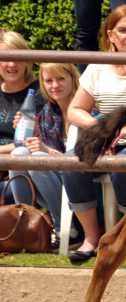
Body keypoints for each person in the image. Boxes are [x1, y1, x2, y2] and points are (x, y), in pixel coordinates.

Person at [62, 4, 126, 261]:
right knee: (71, 165)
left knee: (124, 167)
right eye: (122, 31)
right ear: (110, 36)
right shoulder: (98, 68)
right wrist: (102, 129)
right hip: (106, 138)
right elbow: (74, 110)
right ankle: (91, 238)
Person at [9, 63, 94, 251]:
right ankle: (27, 228)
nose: (54, 85)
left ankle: (69, 231)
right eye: (48, 81)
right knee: (18, 155)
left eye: (61, 78)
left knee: (38, 160)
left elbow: (86, 162)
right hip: (58, 189)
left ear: (74, 79)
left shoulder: (89, 110)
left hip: (87, 188)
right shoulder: (48, 112)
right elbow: (40, 148)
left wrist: (47, 152)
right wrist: (34, 132)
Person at [0, 30, 47, 202]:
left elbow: (31, 142)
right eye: (5, 58)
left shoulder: (39, 93)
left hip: (19, 173)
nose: (12, 64)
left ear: (27, 60)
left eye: (17, 57)